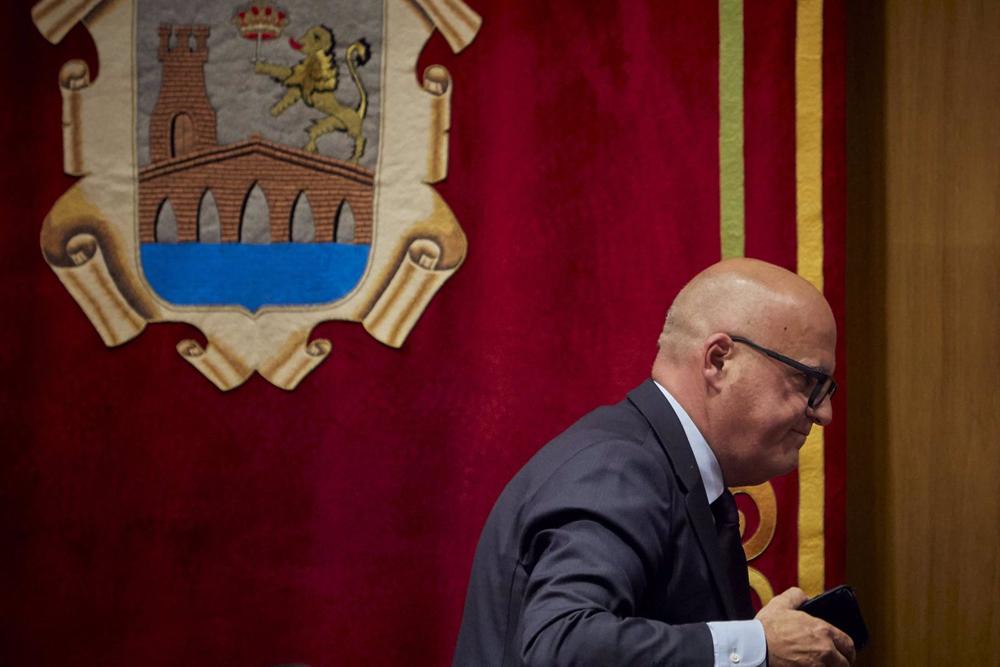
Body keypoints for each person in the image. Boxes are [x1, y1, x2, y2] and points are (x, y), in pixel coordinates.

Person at [453, 258, 856, 666]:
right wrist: (756, 646)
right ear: (718, 361)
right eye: (808, 381)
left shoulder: (664, 465)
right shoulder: (618, 469)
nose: (824, 413)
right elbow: (562, 644)